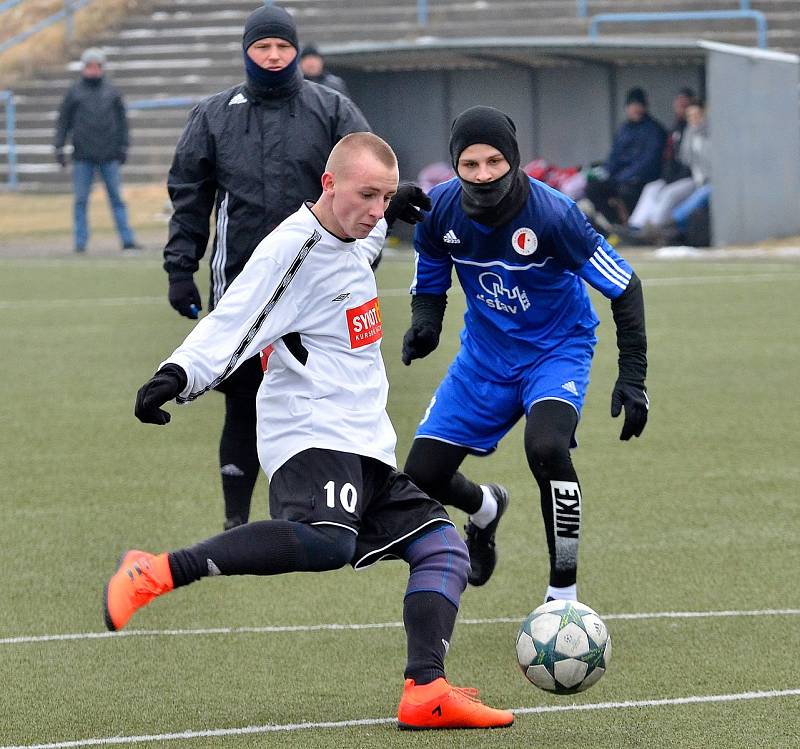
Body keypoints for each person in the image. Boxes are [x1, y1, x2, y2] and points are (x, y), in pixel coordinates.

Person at [105, 133, 514, 731]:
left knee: (442, 547)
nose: (376, 210)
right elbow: (235, 317)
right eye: (366, 195)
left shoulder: (352, 232)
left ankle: (426, 690)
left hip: (366, 442)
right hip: (311, 434)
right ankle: (157, 570)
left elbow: (361, 235)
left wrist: (389, 207)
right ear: (328, 185)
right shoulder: (291, 252)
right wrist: (177, 374)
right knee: (327, 542)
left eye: (382, 197)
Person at [400, 106, 649, 602]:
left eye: (494, 161)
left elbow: (625, 286)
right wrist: (424, 326)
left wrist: (634, 375)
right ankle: (485, 507)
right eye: (470, 165)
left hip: (556, 351)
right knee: (421, 475)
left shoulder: (555, 216)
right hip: (484, 358)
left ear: (512, 160)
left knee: (547, 449)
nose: (483, 174)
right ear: (455, 166)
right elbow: (430, 278)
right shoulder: (440, 210)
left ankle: (563, 597)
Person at [163, 5, 370, 532]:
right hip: (242, 282)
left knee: (323, 395)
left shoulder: (332, 109)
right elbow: (190, 198)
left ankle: (321, 512)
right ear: (246, 51)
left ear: (296, 50)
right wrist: (179, 269)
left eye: (282, 46)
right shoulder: (213, 114)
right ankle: (237, 520)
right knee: (243, 400)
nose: (273, 56)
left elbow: (369, 177)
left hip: (321, 286)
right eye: (262, 47)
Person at [53, 48, 138, 253]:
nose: (93, 70)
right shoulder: (74, 92)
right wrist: (59, 147)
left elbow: (122, 122)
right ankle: (80, 243)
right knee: (81, 200)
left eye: (96, 66)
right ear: (84, 68)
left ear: (101, 68)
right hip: (83, 156)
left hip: (109, 155)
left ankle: (127, 240)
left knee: (117, 199)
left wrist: (124, 146)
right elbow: (63, 122)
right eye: (89, 66)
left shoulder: (112, 92)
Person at [626, 98, 711, 244]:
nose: (694, 119)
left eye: (697, 115)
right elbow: (683, 160)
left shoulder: (711, 134)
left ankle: (658, 227)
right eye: (690, 116)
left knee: (674, 194)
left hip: (708, 181)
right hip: (694, 180)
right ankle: (636, 226)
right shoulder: (688, 133)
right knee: (653, 188)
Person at [583, 87, 666, 228]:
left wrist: (623, 177)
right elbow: (614, 157)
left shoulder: (654, 129)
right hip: (620, 177)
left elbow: (648, 162)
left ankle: (631, 227)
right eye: (632, 106)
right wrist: (607, 173)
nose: (635, 109)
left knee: (627, 190)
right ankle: (616, 224)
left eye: (639, 106)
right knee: (593, 188)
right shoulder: (624, 129)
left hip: (642, 178)